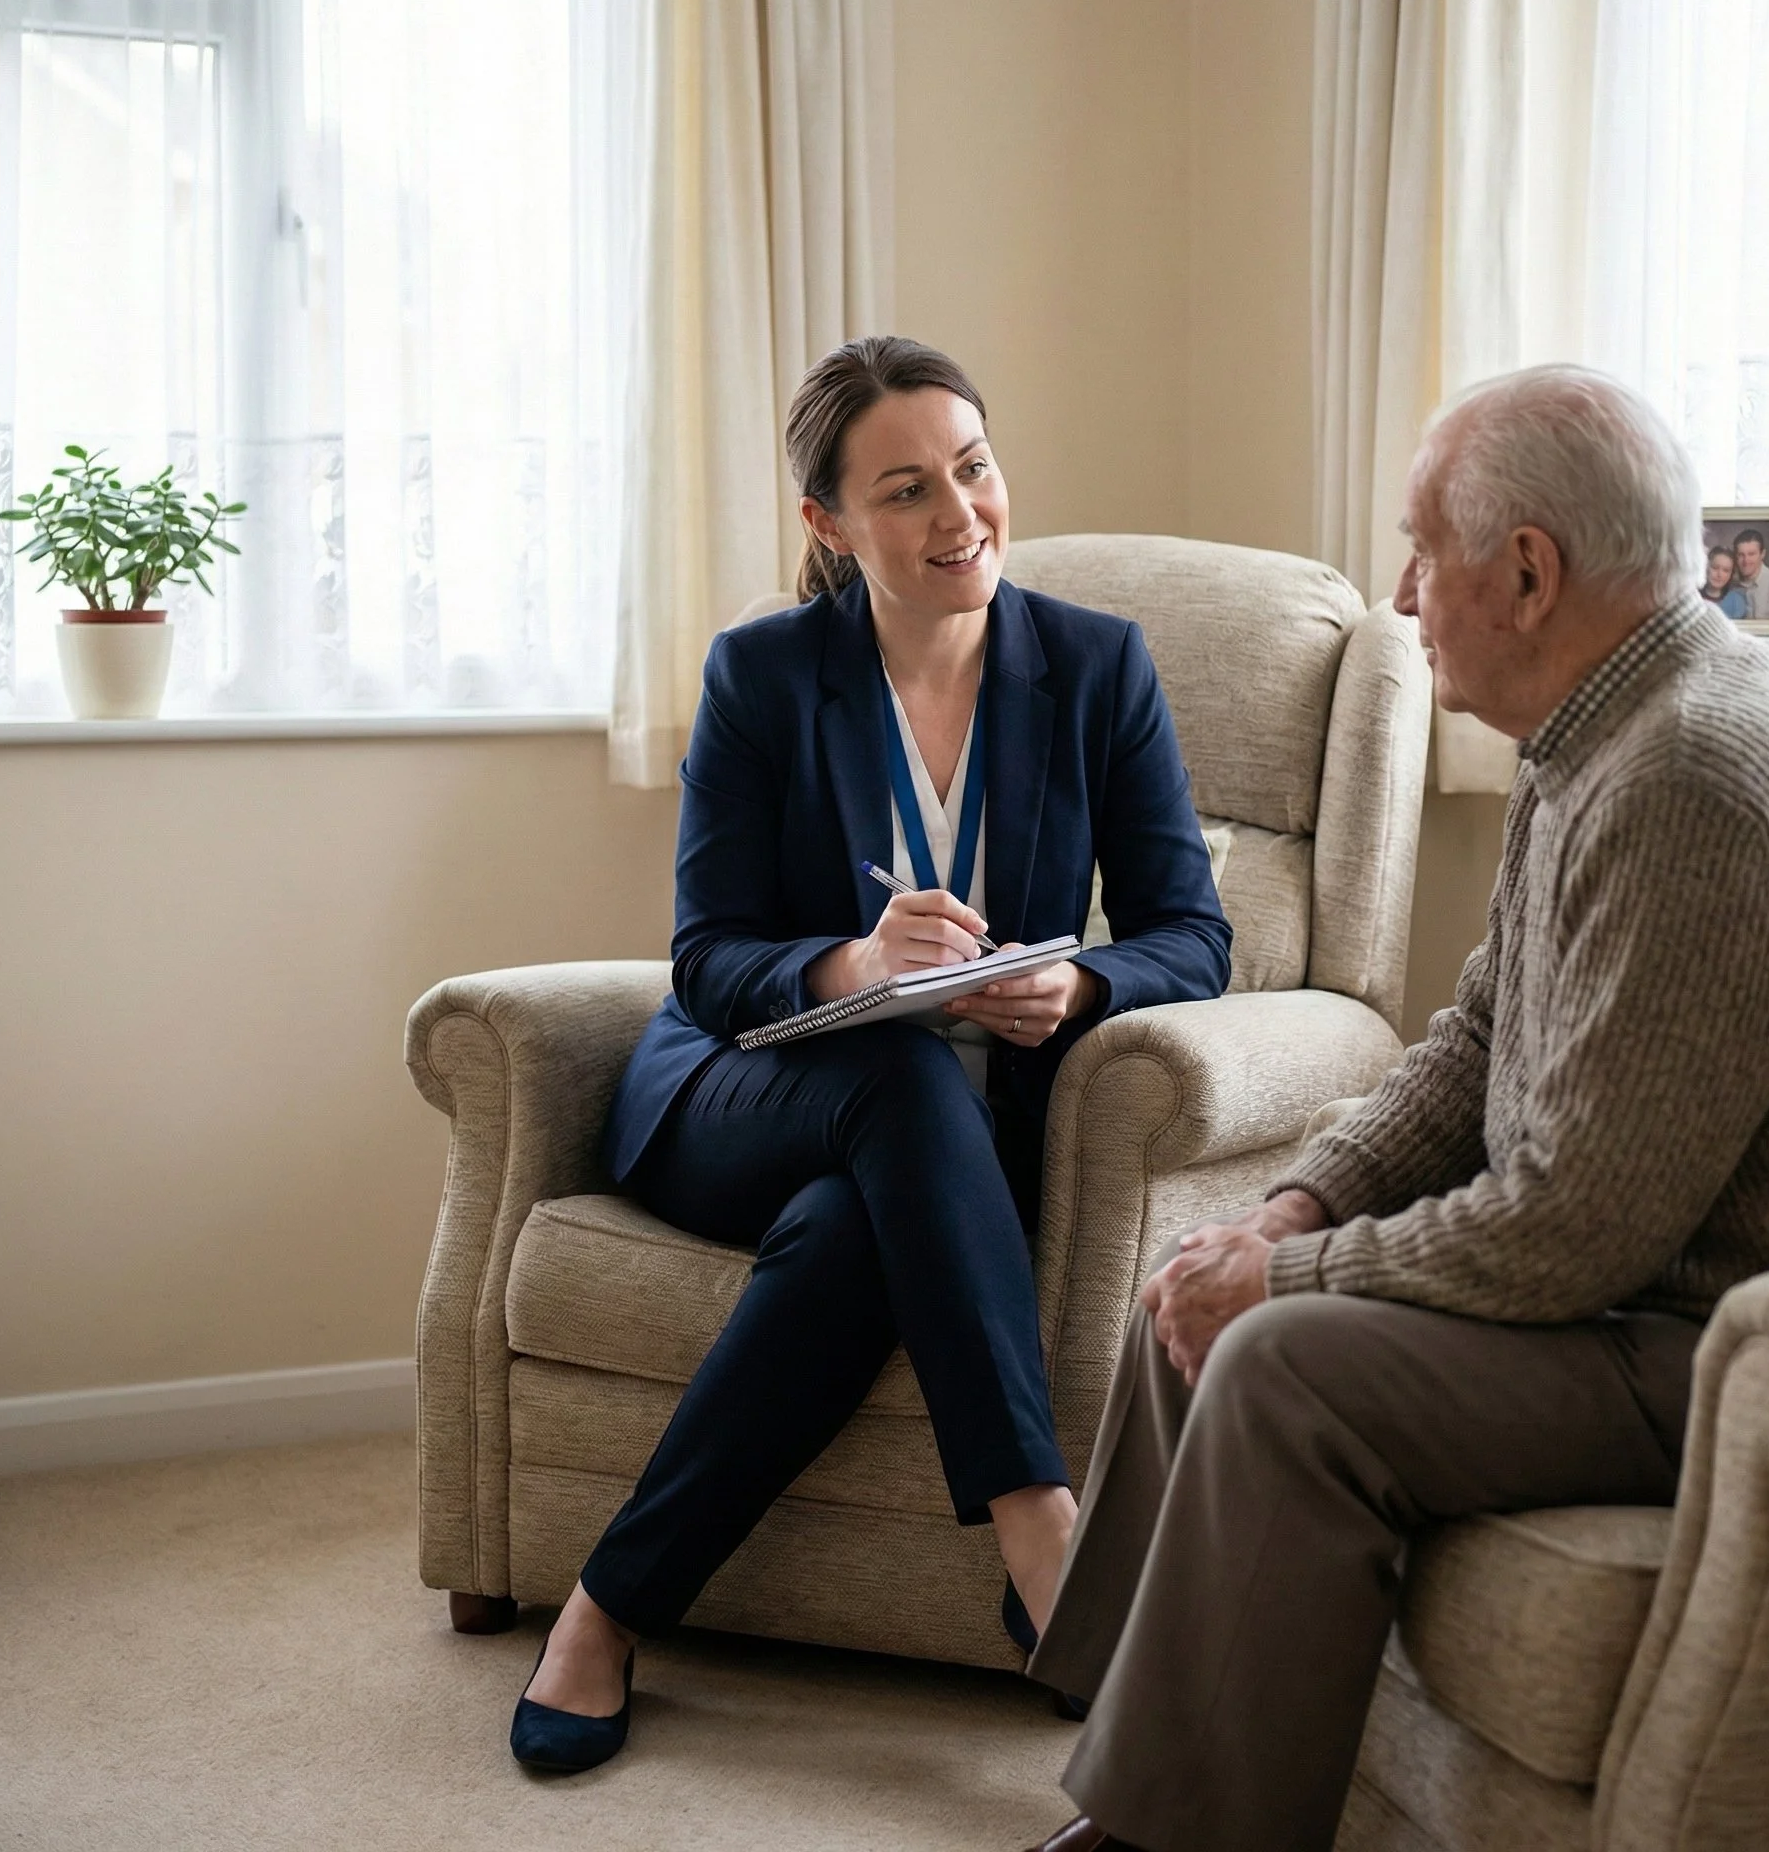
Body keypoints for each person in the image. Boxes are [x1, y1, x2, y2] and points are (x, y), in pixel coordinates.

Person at [1018, 365, 1769, 1852]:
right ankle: (1142, 1788)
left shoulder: (1694, 776)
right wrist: (1293, 1206)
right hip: (1657, 1296)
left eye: (1426, 552)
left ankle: (1176, 1833)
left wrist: (1286, 1276)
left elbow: (1569, 1226)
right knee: (1204, 1285)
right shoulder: (1597, 733)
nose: (1409, 597)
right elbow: (1481, 1038)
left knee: (1281, 1358)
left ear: (1531, 572)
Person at [510, 336, 1231, 1772]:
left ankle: (604, 1611)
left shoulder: (1096, 666)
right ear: (829, 525)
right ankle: (1043, 1545)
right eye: (905, 490)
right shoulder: (764, 675)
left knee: (853, 1235)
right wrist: (853, 967)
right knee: (895, 1069)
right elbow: (707, 955)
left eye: (972, 467)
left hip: (946, 1148)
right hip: (736, 1093)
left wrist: (1075, 988)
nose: (959, 513)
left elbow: (1191, 937)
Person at [1730, 525, 1769, 621]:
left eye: (1751, 554)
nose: (1746, 561)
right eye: (1741, 555)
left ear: (1762, 554)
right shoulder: (1730, 584)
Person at [1700, 541, 1747, 618]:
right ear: (1706, 567)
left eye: (1726, 570)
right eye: (1715, 568)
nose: (1719, 574)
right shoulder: (1694, 597)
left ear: (1731, 574)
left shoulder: (1736, 602)